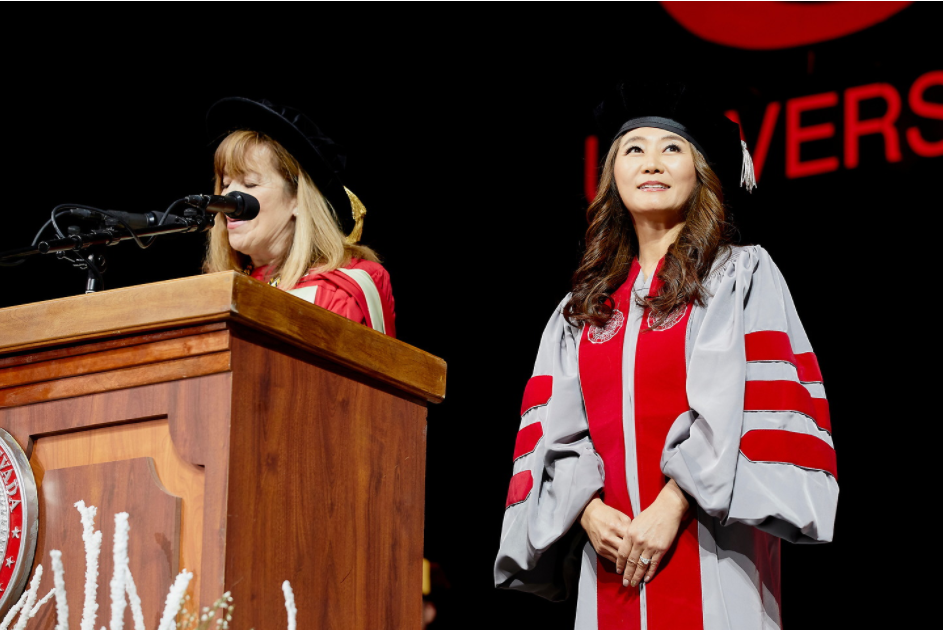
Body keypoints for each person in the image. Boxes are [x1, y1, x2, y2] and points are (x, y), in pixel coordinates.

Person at [494, 81, 838, 629]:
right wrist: (587, 510)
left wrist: (673, 504)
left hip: (713, 549)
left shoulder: (739, 277)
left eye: (671, 148)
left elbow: (756, 407)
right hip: (609, 556)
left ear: (699, 173)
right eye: (633, 149)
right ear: (613, 178)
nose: (651, 161)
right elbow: (555, 433)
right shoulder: (582, 309)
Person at [203, 97, 395, 337]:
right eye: (226, 183)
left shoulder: (340, 290)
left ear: (297, 199)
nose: (228, 196)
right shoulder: (212, 293)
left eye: (250, 183)